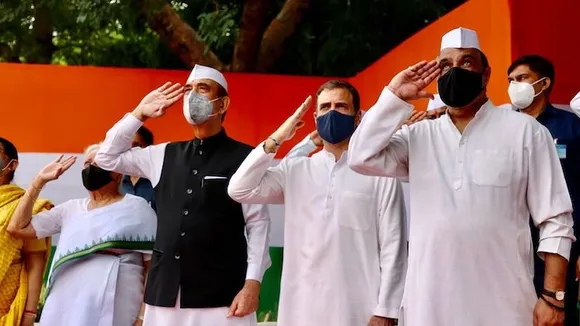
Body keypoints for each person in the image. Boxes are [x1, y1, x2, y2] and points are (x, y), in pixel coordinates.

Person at [347, 27, 575, 326]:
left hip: (504, 305)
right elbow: (360, 156)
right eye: (445, 64)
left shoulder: (526, 132)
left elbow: (556, 219)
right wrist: (393, 96)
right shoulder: (418, 136)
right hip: (429, 305)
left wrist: (553, 296)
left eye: (466, 62)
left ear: (485, 74)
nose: (455, 71)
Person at [94, 64, 271, 326]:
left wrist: (252, 285)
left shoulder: (245, 157)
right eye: (188, 89)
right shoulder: (162, 154)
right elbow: (106, 158)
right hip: (164, 292)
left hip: (222, 295)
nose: (192, 95)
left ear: (222, 104)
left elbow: (258, 225)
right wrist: (139, 114)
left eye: (202, 88)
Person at [228, 80, 407, 326]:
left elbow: (393, 245)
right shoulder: (295, 170)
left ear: (357, 118)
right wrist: (279, 137)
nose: (332, 112)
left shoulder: (378, 173)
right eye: (325, 107)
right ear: (315, 117)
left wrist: (386, 310)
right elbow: (239, 188)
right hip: (300, 310)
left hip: (360, 310)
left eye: (341, 106)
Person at [6, 144, 157, 326]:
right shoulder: (70, 209)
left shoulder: (137, 207)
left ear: (118, 173)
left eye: (98, 163)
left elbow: (153, 269)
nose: (90, 168)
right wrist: (39, 181)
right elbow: (17, 228)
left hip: (119, 302)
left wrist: (142, 317)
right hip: (66, 302)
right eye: (87, 164)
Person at [508, 54, 580, 325]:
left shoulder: (571, 126)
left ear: (544, 83)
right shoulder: (505, 128)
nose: (515, 85)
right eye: (511, 80)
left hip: (562, 244)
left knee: (558, 313)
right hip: (513, 244)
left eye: (522, 78)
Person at [0, 138, 52, 326]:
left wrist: (30, 313)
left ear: (12, 165)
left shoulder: (26, 207)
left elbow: (35, 264)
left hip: (6, 304)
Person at [121, 126, 156, 211]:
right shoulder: (118, 182)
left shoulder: (159, 181)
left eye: (136, 145)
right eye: (127, 146)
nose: (130, 150)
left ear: (148, 148)